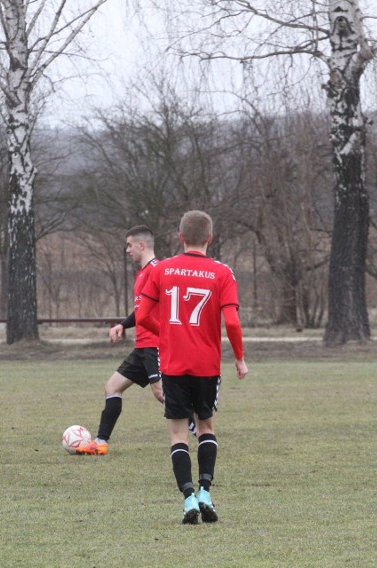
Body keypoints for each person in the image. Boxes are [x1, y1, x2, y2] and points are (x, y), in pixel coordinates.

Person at [136, 210, 248, 524]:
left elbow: (143, 318)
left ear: (180, 237)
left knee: (177, 434)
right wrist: (239, 357)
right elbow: (233, 322)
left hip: (173, 364)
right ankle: (205, 492)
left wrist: (169, 334)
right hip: (207, 366)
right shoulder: (222, 272)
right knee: (206, 427)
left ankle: (187, 500)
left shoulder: (163, 269)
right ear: (210, 238)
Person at [75, 225, 166, 456]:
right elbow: (142, 311)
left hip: (154, 345)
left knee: (162, 394)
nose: (127, 250)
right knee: (113, 387)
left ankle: (202, 432)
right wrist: (122, 325)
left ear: (141, 245)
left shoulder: (158, 270)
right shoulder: (143, 273)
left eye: (129, 245)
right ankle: (101, 442)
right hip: (142, 346)